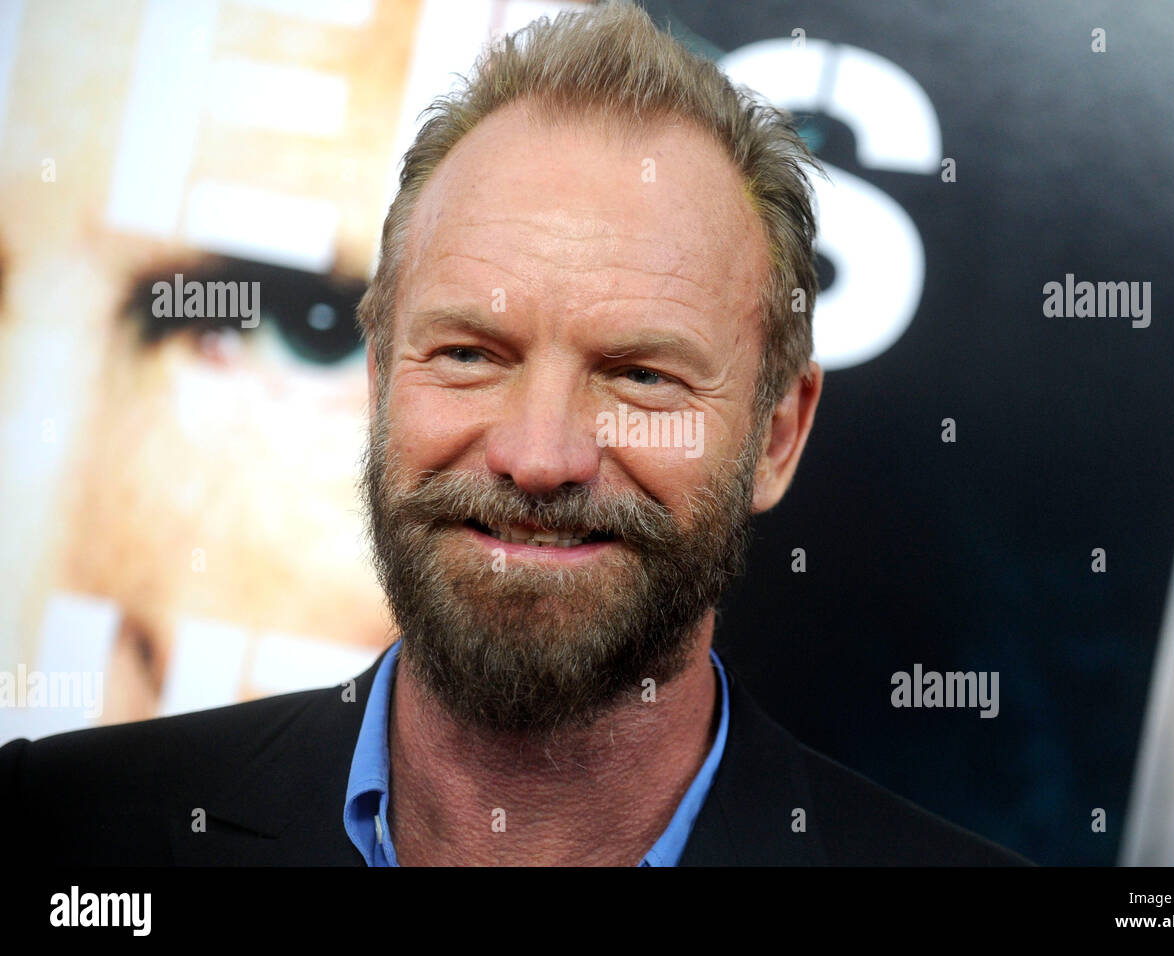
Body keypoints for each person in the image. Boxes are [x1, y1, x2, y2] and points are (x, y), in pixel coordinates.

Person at [0, 1, 1027, 866]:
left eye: (639, 373)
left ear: (776, 433)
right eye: (469, 355)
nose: (539, 457)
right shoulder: (62, 833)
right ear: (378, 374)